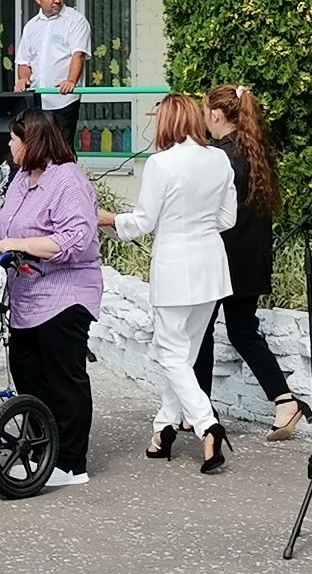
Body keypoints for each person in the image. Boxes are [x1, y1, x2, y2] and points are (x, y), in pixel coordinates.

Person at [98, 94, 238, 474]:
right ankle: (163, 429)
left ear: (167, 122)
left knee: (172, 354)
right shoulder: (219, 158)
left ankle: (207, 424)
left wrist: (108, 218)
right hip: (211, 265)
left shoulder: (161, 164)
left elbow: (142, 222)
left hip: (176, 268)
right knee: (185, 354)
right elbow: (227, 219)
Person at [0, 108, 102, 488]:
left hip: (65, 295)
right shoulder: (21, 179)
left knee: (64, 380)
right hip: (26, 296)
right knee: (28, 375)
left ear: (32, 142)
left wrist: (18, 244)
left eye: (15, 139)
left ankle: (70, 463)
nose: (9, 145)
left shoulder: (67, 181)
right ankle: (41, 450)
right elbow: (6, 229)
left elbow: (75, 240)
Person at [194, 84, 312, 440]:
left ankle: (201, 414)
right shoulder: (256, 151)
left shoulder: (218, 157)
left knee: (200, 332)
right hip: (252, 259)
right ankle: (284, 401)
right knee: (242, 330)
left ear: (216, 114)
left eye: (206, 113)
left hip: (222, 259)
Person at [14, 0, 91, 151]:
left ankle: (65, 179)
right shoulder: (31, 26)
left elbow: (78, 54)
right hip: (37, 102)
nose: (57, 0)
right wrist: (23, 79)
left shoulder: (75, 20)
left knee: (62, 151)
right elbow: (24, 61)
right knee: (36, 151)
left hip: (63, 101)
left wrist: (71, 81)